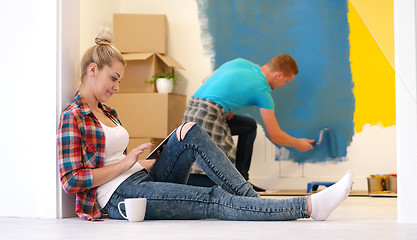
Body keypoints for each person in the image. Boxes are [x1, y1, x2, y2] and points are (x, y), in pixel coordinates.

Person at [57, 28, 352, 222]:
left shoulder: (107, 111)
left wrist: (141, 162)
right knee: (213, 197)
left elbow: (117, 158)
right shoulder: (73, 116)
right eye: (114, 79)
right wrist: (125, 165)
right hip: (119, 196)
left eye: (119, 80)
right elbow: (71, 181)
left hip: (137, 178)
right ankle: (309, 207)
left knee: (190, 132)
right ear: (92, 70)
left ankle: (256, 205)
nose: (117, 87)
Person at [183, 55, 315, 189]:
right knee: (219, 178)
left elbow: (205, 79)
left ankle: (242, 181)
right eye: (286, 81)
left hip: (192, 110)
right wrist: (298, 143)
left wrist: (225, 106)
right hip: (208, 115)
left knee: (249, 126)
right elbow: (275, 135)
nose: (283, 85)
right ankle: (192, 183)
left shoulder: (241, 63)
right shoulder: (262, 90)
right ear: (279, 75)